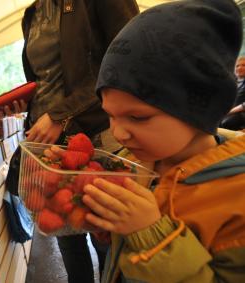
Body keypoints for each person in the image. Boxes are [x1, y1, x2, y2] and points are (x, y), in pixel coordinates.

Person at [79, 0, 245, 282]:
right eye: (110, 115)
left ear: (198, 108)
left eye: (138, 117)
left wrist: (150, 236)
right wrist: (115, 228)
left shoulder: (236, 198)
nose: (118, 133)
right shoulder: (135, 165)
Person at [20, 1, 139, 282]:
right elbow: (46, 79)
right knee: (66, 233)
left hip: (97, 132)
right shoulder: (32, 13)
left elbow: (127, 58)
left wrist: (60, 114)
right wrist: (24, 102)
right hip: (52, 143)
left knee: (104, 231)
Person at [220, 56, 245, 130]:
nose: (239, 68)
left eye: (244, 65)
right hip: (227, 112)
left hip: (239, 113)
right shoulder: (231, 81)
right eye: (237, 66)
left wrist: (229, 112)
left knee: (226, 122)